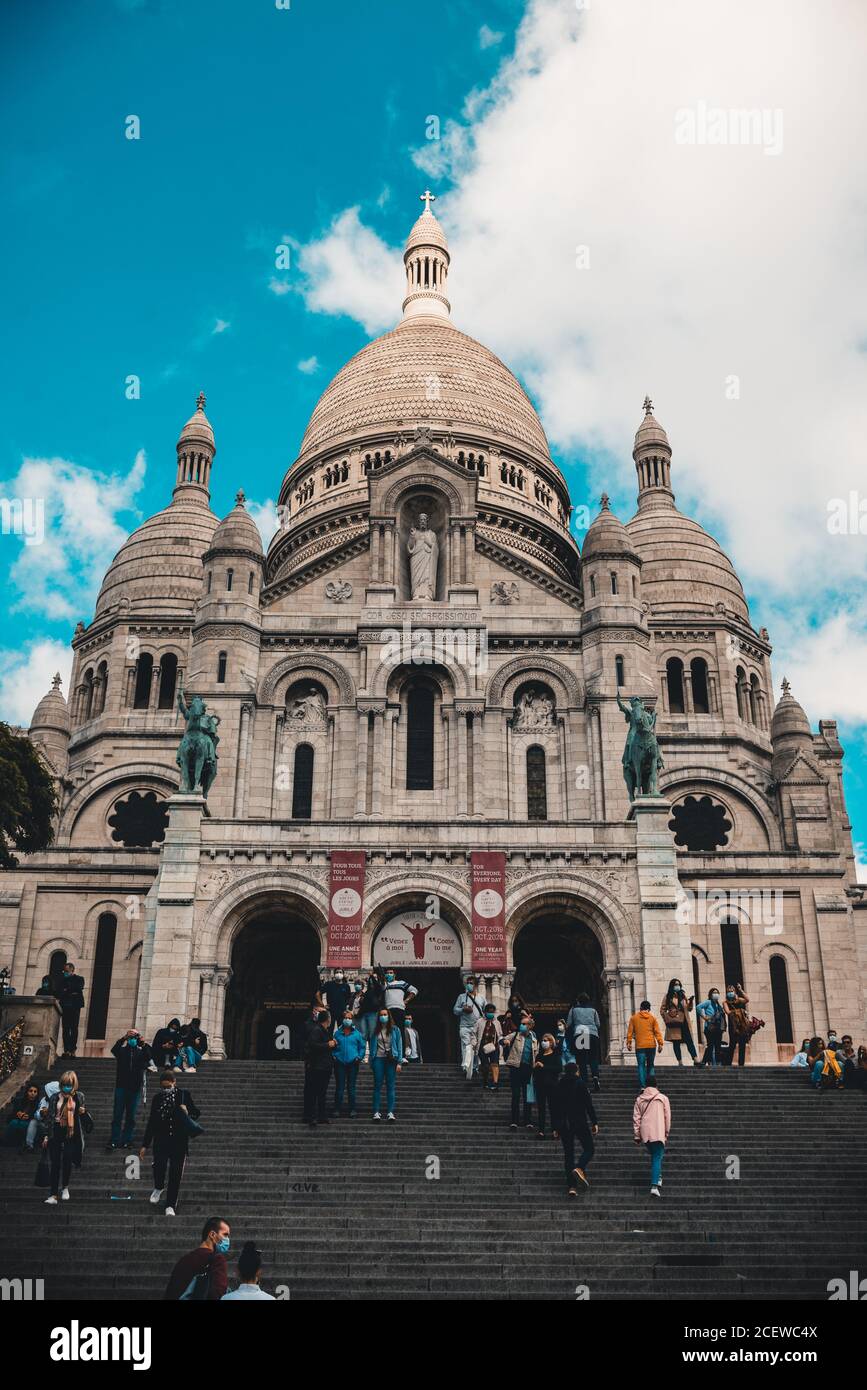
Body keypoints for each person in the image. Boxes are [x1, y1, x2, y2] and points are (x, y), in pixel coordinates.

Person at [140, 1068, 201, 1215]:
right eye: (163, 1087)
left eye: (168, 1086)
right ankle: (159, 1187)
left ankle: (170, 1205)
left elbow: (196, 1112)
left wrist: (187, 1111)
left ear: (174, 1082)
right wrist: (145, 1145)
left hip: (179, 1140)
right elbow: (152, 1122)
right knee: (159, 1166)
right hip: (161, 1139)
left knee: (175, 1173)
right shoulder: (157, 1098)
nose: (166, 1089)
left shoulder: (183, 1095)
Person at [42, 1069, 90, 1204]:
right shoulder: (55, 1097)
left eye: (69, 1085)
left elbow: (82, 1116)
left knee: (67, 1159)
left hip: (71, 1131)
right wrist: (46, 1136)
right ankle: (53, 1194)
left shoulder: (79, 1097)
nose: (66, 1087)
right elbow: (50, 1118)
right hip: (56, 1129)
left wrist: (83, 1112)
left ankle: (65, 1187)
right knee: (55, 1162)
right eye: (64, 1084)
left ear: (74, 1084)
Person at [164, 1217, 230, 1300]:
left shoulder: (184, 1259)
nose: (227, 1240)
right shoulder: (217, 1260)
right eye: (225, 1235)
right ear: (212, 1235)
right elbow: (218, 1294)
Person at [557, 1062, 599, 1193]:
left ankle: (572, 1187)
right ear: (576, 1071)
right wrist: (594, 1122)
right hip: (579, 1121)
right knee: (589, 1148)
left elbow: (555, 1107)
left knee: (569, 1154)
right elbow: (588, 1105)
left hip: (565, 1123)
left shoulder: (560, 1084)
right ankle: (580, 1168)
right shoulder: (580, 1083)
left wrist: (556, 1126)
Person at [108, 1028, 152, 1149]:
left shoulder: (140, 1052)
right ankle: (114, 1139)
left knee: (130, 1116)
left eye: (135, 1036)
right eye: (131, 1036)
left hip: (134, 1088)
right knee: (117, 1115)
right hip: (121, 1087)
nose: (133, 1039)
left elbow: (148, 1056)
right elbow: (114, 1050)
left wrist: (143, 1043)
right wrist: (124, 1038)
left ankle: (127, 1139)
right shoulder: (122, 1051)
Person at [633, 1077, 671, 1197]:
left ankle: (658, 1177)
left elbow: (636, 1118)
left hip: (645, 1133)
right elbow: (667, 1117)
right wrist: (666, 1132)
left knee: (655, 1155)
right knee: (657, 1155)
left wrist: (637, 1134)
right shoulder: (663, 1098)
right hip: (658, 1131)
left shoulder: (639, 1099)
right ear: (656, 1085)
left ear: (646, 1085)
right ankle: (654, 1186)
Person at [503, 1013, 538, 1130]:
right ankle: (514, 1121)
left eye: (524, 1024)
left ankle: (528, 1121)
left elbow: (536, 1053)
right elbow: (502, 1039)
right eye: (521, 1024)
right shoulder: (515, 1034)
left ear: (530, 1026)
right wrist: (504, 1042)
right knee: (516, 1095)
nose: (521, 1026)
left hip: (528, 1069)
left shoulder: (534, 1038)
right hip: (516, 1068)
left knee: (528, 1096)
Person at [303, 1010, 336, 1126]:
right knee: (314, 1092)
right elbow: (313, 1045)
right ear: (327, 1019)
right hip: (317, 1067)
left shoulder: (325, 1031)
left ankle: (322, 1116)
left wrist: (333, 1044)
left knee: (322, 1092)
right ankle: (311, 1116)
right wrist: (328, 1045)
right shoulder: (317, 1030)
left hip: (324, 1066)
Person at [369, 1007, 403, 1121]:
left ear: (389, 1016)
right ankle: (376, 1112)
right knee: (377, 1085)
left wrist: (399, 1062)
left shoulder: (395, 1029)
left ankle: (390, 1112)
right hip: (378, 1058)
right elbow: (372, 1046)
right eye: (381, 1015)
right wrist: (371, 1061)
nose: (383, 1017)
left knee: (390, 1086)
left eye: (385, 1015)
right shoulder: (375, 1030)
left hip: (391, 1060)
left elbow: (399, 1045)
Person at [565, 992, 603, 1090]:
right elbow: (598, 1024)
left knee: (582, 1059)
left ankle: (584, 1081)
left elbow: (569, 1023)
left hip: (580, 1033)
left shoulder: (574, 1009)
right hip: (593, 1034)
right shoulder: (593, 1010)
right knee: (593, 1057)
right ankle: (595, 1076)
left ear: (578, 1000)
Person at [453, 975, 486, 1080]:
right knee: (466, 1046)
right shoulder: (461, 997)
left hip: (477, 1027)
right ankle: (465, 1066)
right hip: (464, 1026)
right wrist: (463, 1009)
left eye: (471, 983)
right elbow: (455, 1010)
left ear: (476, 985)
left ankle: (475, 1067)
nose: (469, 985)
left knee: (476, 1047)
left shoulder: (481, 998)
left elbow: (486, 1011)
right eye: (467, 983)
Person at [332, 1014, 365, 1116]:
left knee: (351, 1088)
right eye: (346, 1018)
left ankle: (352, 1110)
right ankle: (337, 1110)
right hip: (340, 1063)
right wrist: (334, 1056)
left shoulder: (357, 1034)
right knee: (339, 1087)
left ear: (352, 1020)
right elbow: (333, 1046)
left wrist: (359, 1057)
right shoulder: (337, 1033)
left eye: (350, 1018)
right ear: (343, 1019)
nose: (347, 1020)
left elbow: (362, 1047)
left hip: (353, 1063)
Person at [661, 978, 698, 1066]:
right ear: (672, 986)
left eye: (678, 984)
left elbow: (689, 1009)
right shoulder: (668, 996)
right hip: (674, 1023)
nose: (677, 986)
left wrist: (691, 1002)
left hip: (684, 1021)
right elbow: (662, 1010)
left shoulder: (683, 995)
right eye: (675, 984)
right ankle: (680, 1061)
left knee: (689, 1041)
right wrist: (667, 1019)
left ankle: (695, 1059)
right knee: (676, 1042)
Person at [626, 1000, 664, 1087]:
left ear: (640, 1008)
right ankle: (652, 1086)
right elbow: (657, 1032)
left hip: (640, 1046)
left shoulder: (634, 1018)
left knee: (641, 1066)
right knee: (650, 1066)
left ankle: (643, 1086)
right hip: (651, 1045)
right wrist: (660, 1043)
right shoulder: (652, 1018)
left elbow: (630, 1032)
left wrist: (629, 1042)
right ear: (649, 1009)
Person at [533, 1033, 562, 1138]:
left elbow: (559, 1068)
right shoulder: (539, 1056)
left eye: (546, 1040)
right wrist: (535, 1067)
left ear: (551, 1042)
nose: (543, 1042)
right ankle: (541, 1131)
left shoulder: (555, 1055)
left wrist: (544, 1066)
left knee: (553, 1108)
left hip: (552, 1085)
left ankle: (555, 1129)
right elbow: (535, 1072)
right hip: (540, 1085)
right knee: (541, 1108)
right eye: (543, 1040)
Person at [58, 961, 85, 1058]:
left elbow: (79, 988)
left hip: (75, 1006)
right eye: (64, 971)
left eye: (66, 971)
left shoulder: (79, 979)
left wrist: (67, 990)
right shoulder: (62, 980)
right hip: (65, 1006)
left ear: (72, 970)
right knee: (65, 1028)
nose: (64, 972)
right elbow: (60, 992)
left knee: (74, 1028)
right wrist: (70, 991)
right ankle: (66, 1050)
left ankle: (73, 1049)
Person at [382, 969, 418, 1042]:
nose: (389, 974)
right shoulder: (384, 985)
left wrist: (406, 1000)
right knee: (389, 1031)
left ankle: (402, 1048)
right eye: (387, 973)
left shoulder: (401, 983)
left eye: (391, 973)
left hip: (400, 1009)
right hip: (388, 1010)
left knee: (400, 1030)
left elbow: (414, 990)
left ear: (395, 975)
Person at [475, 1003, 503, 1091]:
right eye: (489, 1012)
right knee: (485, 1066)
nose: (491, 1013)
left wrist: (502, 1041)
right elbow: (473, 1033)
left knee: (495, 1064)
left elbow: (500, 1034)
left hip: (494, 1047)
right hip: (482, 1047)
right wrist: (474, 1043)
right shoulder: (479, 1022)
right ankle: (485, 1081)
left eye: (492, 1012)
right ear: (485, 1012)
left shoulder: (497, 1022)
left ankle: (495, 1083)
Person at [696, 988, 726, 1068]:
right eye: (714, 992)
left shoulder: (718, 1005)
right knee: (710, 1045)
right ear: (710, 994)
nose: (716, 994)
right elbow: (698, 1007)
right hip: (709, 1027)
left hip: (718, 1028)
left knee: (718, 1046)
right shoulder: (708, 1002)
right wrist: (704, 1017)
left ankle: (718, 1062)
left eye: (717, 992)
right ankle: (704, 1061)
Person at [357, 973, 385, 1059]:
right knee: (363, 1035)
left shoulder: (378, 989)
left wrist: (372, 976)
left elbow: (378, 986)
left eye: (375, 978)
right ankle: (361, 1055)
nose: (373, 980)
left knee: (373, 1035)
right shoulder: (367, 991)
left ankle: (372, 1055)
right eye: (372, 978)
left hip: (373, 1014)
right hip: (364, 1014)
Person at [4, 1083, 40, 1149]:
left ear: (37, 1094)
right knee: (14, 1123)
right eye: (30, 1091)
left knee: (15, 1123)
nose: (33, 1093)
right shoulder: (20, 1101)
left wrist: (29, 1117)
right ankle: (8, 1141)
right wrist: (18, 1114)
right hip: (18, 1121)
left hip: (30, 1124)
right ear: (27, 1092)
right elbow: (11, 1115)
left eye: (35, 1092)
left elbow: (37, 1116)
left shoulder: (38, 1104)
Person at [723, 983, 751, 1067]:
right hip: (733, 1026)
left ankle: (741, 1064)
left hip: (742, 1025)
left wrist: (740, 990)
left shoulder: (739, 1000)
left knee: (742, 1044)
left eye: (732, 991)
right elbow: (728, 1012)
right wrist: (740, 1011)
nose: (730, 993)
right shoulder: (725, 1002)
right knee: (732, 1044)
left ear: (734, 992)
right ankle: (728, 1063)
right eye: (729, 991)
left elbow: (747, 999)